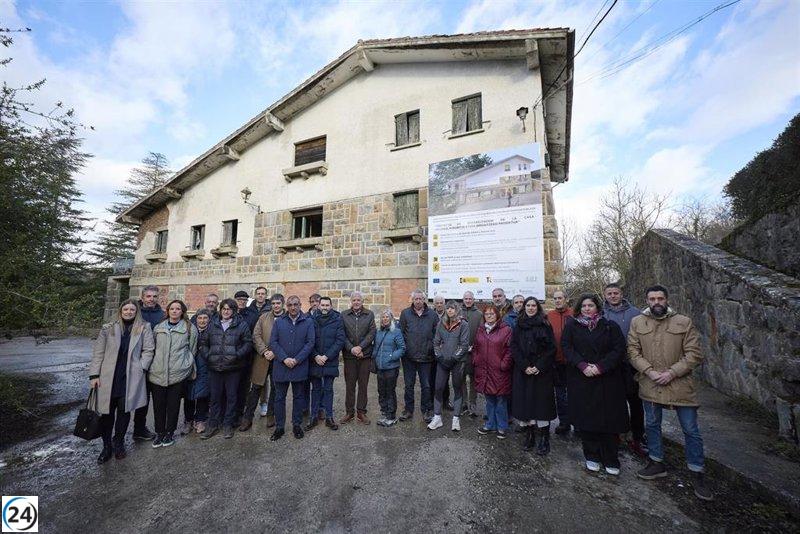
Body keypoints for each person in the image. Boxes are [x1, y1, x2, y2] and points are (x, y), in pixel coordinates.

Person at [628, 285, 712, 501]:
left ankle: (696, 472)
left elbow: (694, 354)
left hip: (680, 385)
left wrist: (672, 373)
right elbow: (633, 351)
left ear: (666, 299)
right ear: (647, 301)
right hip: (651, 383)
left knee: (691, 430)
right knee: (652, 425)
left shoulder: (683, 322)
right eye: (652, 298)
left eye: (660, 298)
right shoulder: (638, 322)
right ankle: (656, 462)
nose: (656, 302)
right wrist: (649, 371)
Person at [562, 293, 629, 475]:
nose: (586, 309)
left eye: (590, 305)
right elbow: (567, 348)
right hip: (582, 378)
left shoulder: (609, 326)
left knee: (609, 420)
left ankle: (610, 457)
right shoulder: (572, 326)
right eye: (583, 306)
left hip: (606, 379)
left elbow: (619, 349)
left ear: (597, 307)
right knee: (587, 420)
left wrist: (600, 367)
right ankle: (591, 455)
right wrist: (583, 365)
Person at [90, 299, 155, 463]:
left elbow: (149, 350)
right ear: (121, 311)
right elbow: (98, 352)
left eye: (132, 309)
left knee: (124, 413)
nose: (129, 312)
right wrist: (94, 375)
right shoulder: (108, 328)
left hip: (130, 377)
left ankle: (118, 443)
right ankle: (106, 447)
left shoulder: (143, 327)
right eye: (126, 309)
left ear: (136, 311)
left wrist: (141, 367)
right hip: (108, 377)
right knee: (106, 414)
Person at [603, 282, 646, 457]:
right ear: (605, 295)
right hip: (611, 365)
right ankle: (617, 434)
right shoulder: (601, 314)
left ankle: (637, 437)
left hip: (632, 364)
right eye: (609, 293)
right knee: (614, 402)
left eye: (616, 293)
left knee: (636, 402)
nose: (613, 296)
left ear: (621, 294)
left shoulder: (635, 313)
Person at [201, 299, 252, 440]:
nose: (226, 311)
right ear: (220, 310)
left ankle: (228, 424)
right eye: (224, 308)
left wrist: (236, 355)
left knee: (231, 397)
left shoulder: (241, 325)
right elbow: (204, 343)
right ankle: (212, 424)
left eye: (229, 309)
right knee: (215, 398)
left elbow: (248, 343)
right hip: (215, 367)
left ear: (234, 310)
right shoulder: (212, 324)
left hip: (233, 368)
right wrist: (208, 356)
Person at [511, 297, 557, 455]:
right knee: (526, 404)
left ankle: (544, 438)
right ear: (524, 307)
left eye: (533, 306)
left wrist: (539, 366)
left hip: (541, 371)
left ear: (538, 308)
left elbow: (551, 348)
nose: (530, 308)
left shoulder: (545, 324)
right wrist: (525, 366)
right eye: (528, 305)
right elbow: (514, 347)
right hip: (524, 371)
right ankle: (530, 435)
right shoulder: (519, 325)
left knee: (541, 406)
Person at [149, 300, 197, 447]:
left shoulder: (189, 328)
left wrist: (186, 364)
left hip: (177, 373)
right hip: (158, 372)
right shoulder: (158, 328)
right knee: (158, 405)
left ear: (182, 311)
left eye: (178, 309)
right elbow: (152, 348)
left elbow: (192, 349)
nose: (175, 311)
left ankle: (169, 432)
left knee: (173, 405)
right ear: (168, 311)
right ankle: (159, 433)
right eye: (172, 309)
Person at [268, 295, 315, 441]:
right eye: (290, 305)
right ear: (286, 306)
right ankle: (280, 427)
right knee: (279, 398)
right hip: (281, 366)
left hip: (299, 366)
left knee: (298, 397)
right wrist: (284, 358)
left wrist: (297, 359)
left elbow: (310, 343)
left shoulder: (308, 322)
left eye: (295, 304)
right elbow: (273, 342)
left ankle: (296, 425)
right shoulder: (279, 322)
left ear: (300, 305)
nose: (293, 307)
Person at [240, 294, 284, 431]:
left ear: (282, 304)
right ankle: (248, 418)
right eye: (273, 303)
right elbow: (256, 335)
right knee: (256, 388)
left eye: (278, 303)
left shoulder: (287, 319)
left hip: (278, 359)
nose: (276, 306)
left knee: (276, 389)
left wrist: (275, 352)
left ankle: (271, 415)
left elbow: (288, 339)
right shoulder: (264, 317)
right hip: (263, 358)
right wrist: (264, 351)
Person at [429, 301, 470, 431]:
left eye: (452, 308)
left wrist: (454, 358)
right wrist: (439, 357)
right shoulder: (442, 323)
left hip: (457, 362)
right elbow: (436, 342)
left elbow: (464, 345)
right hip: (442, 362)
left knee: (457, 388)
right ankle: (437, 418)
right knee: (438, 387)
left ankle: (456, 419)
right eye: (448, 308)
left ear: (457, 310)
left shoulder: (463, 324)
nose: (450, 310)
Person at [473, 305, 513, 439]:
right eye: (487, 314)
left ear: (497, 315)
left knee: (501, 400)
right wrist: (476, 359)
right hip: (484, 370)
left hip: (499, 371)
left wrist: (504, 364)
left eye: (492, 314)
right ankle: (490, 424)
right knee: (489, 399)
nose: (489, 316)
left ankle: (502, 427)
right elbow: (476, 348)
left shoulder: (506, 329)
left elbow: (510, 350)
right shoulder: (481, 330)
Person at [399, 289, 438, 423]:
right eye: (416, 299)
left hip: (426, 357)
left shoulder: (432, 315)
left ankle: (426, 410)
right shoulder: (405, 314)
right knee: (409, 385)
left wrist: (431, 348)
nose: (418, 301)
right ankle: (408, 410)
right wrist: (405, 350)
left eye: (421, 299)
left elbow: (436, 335)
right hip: (408, 357)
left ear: (424, 300)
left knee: (426, 385)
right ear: (412, 300)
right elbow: (401, 334)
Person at [308, 296, 345, 431]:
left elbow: (340, 340)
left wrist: (327, 356)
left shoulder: (337, 319)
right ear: (318, 306)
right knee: (316, 390)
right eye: (322, 305)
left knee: (328, 390)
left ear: (331, 306)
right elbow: (308, 340)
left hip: (330, 361)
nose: (324, 308)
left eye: (327, 305)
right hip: (315, 360)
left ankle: (329, 417)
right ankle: (313, 417)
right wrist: (316, 355)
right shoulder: (311, 320)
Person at [132, 285, 163, 441]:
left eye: (154, 296)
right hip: (136, 363)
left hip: (156, 363)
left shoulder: (162, 315)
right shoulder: (134, 313)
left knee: (152, 398)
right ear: (143, 297)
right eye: (149, 296)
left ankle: (145, 428)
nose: (152, 299)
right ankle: (132, 429)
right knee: (137, 398)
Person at [341, 292, 376, 424]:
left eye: (359, 300)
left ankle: (361, 412)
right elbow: (342, 334)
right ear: (351, 301)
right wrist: (352, 349)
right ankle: (349, 412)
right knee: (350, 385)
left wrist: (360, 347)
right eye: (354, 300)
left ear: (362, 301)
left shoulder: (369, 314)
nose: (356, 302)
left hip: (365, 356)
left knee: (363, 385)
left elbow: (372, 333)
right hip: (349, 356)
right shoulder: (344, 315)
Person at [546, 290, 574, 435]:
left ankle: (579, 423)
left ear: (566, 299)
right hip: (556, 362)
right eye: (555, 298)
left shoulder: (574, 314)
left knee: (575, 394)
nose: (557, 300)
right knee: (560, 394)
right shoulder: (549, 316)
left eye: (560, 298)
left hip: (573, 362)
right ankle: (564, 422)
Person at [374, 309, 406, 427]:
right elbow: (375, 347)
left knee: (390, 391)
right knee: (381, 391)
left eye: (387, 317)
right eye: (383, 317)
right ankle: (384, 412)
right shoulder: (378, 332)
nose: (385, 319)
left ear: (391, 319)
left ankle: (391, 416)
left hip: (391, 367)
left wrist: (392, 356)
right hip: (380, 367)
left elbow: (402, 348)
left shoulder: (396, 332)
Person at [460, 291, 483, 417]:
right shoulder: (458, 313)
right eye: (466, 298)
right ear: (463, 300)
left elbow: (481, 332)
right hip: (461, 353)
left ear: (473, 299)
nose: (468, 300)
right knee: (461, 378)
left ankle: (473, 404)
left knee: (473, 379)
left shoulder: (479, 314)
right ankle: (463, 403)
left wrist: (474, 346)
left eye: (470, 298)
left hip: (474, 353)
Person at [189, 309, 211, 434]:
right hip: (190, 365)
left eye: (205, 318)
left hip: (205, 366)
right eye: (200, 318)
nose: (202, 321)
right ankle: (188, 419)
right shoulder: (190, 331)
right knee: (189, 395)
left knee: (203, 394)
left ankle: (201, 419)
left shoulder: (212, 332)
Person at [430, 294, 451, 411]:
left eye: (441, 303)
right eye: (437, 303)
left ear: (444, 303)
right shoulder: (430, 315)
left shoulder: (449, 314)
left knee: (445, 378)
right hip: (433, 351)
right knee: (433, 377)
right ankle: (435, 401)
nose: (439, 305)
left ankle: (446, 401)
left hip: (445, 351)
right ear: (434, 304)